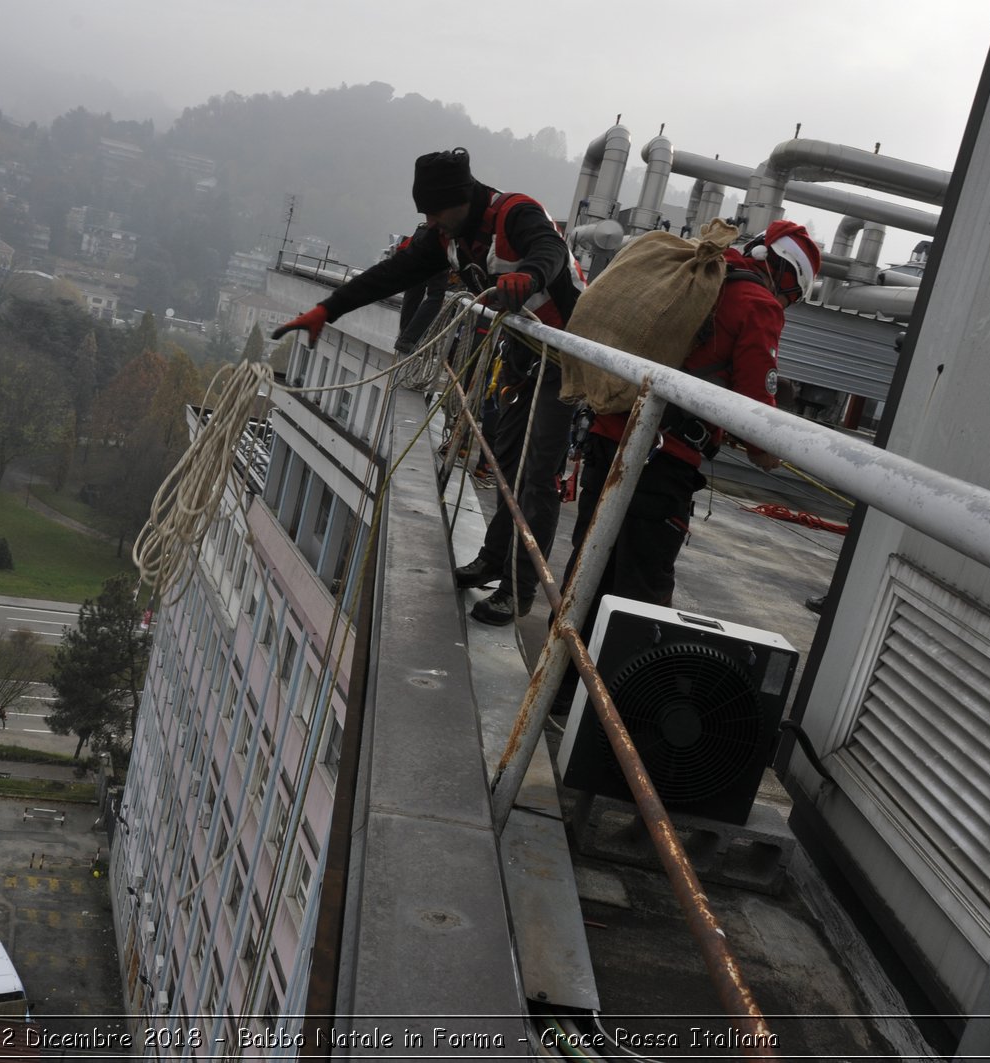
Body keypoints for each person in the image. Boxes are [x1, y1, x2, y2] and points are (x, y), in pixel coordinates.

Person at [273, 147, 583, 625]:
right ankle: (493, 559)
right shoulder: (449, 237)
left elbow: (551, 251)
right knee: (504, 461)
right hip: (525, 353)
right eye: (426, 214)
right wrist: (327, 310)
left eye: (437, 212)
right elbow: (388, 276)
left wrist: (530, 274)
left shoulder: (516, 213)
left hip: (567, 359)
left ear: (462, 199)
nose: (432, 222)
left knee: (536, 473)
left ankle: (516, 591)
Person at [552, 220, 821, 703]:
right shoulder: (755, 304)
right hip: (660, 464)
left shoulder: (695, 270)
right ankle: (618, 715)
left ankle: (556, 687)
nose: (788, 305)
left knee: (588, 568)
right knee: (641, 592)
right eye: (794, 296)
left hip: (606, 436)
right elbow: (756, 413)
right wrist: (771, 455)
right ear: (784, 274)